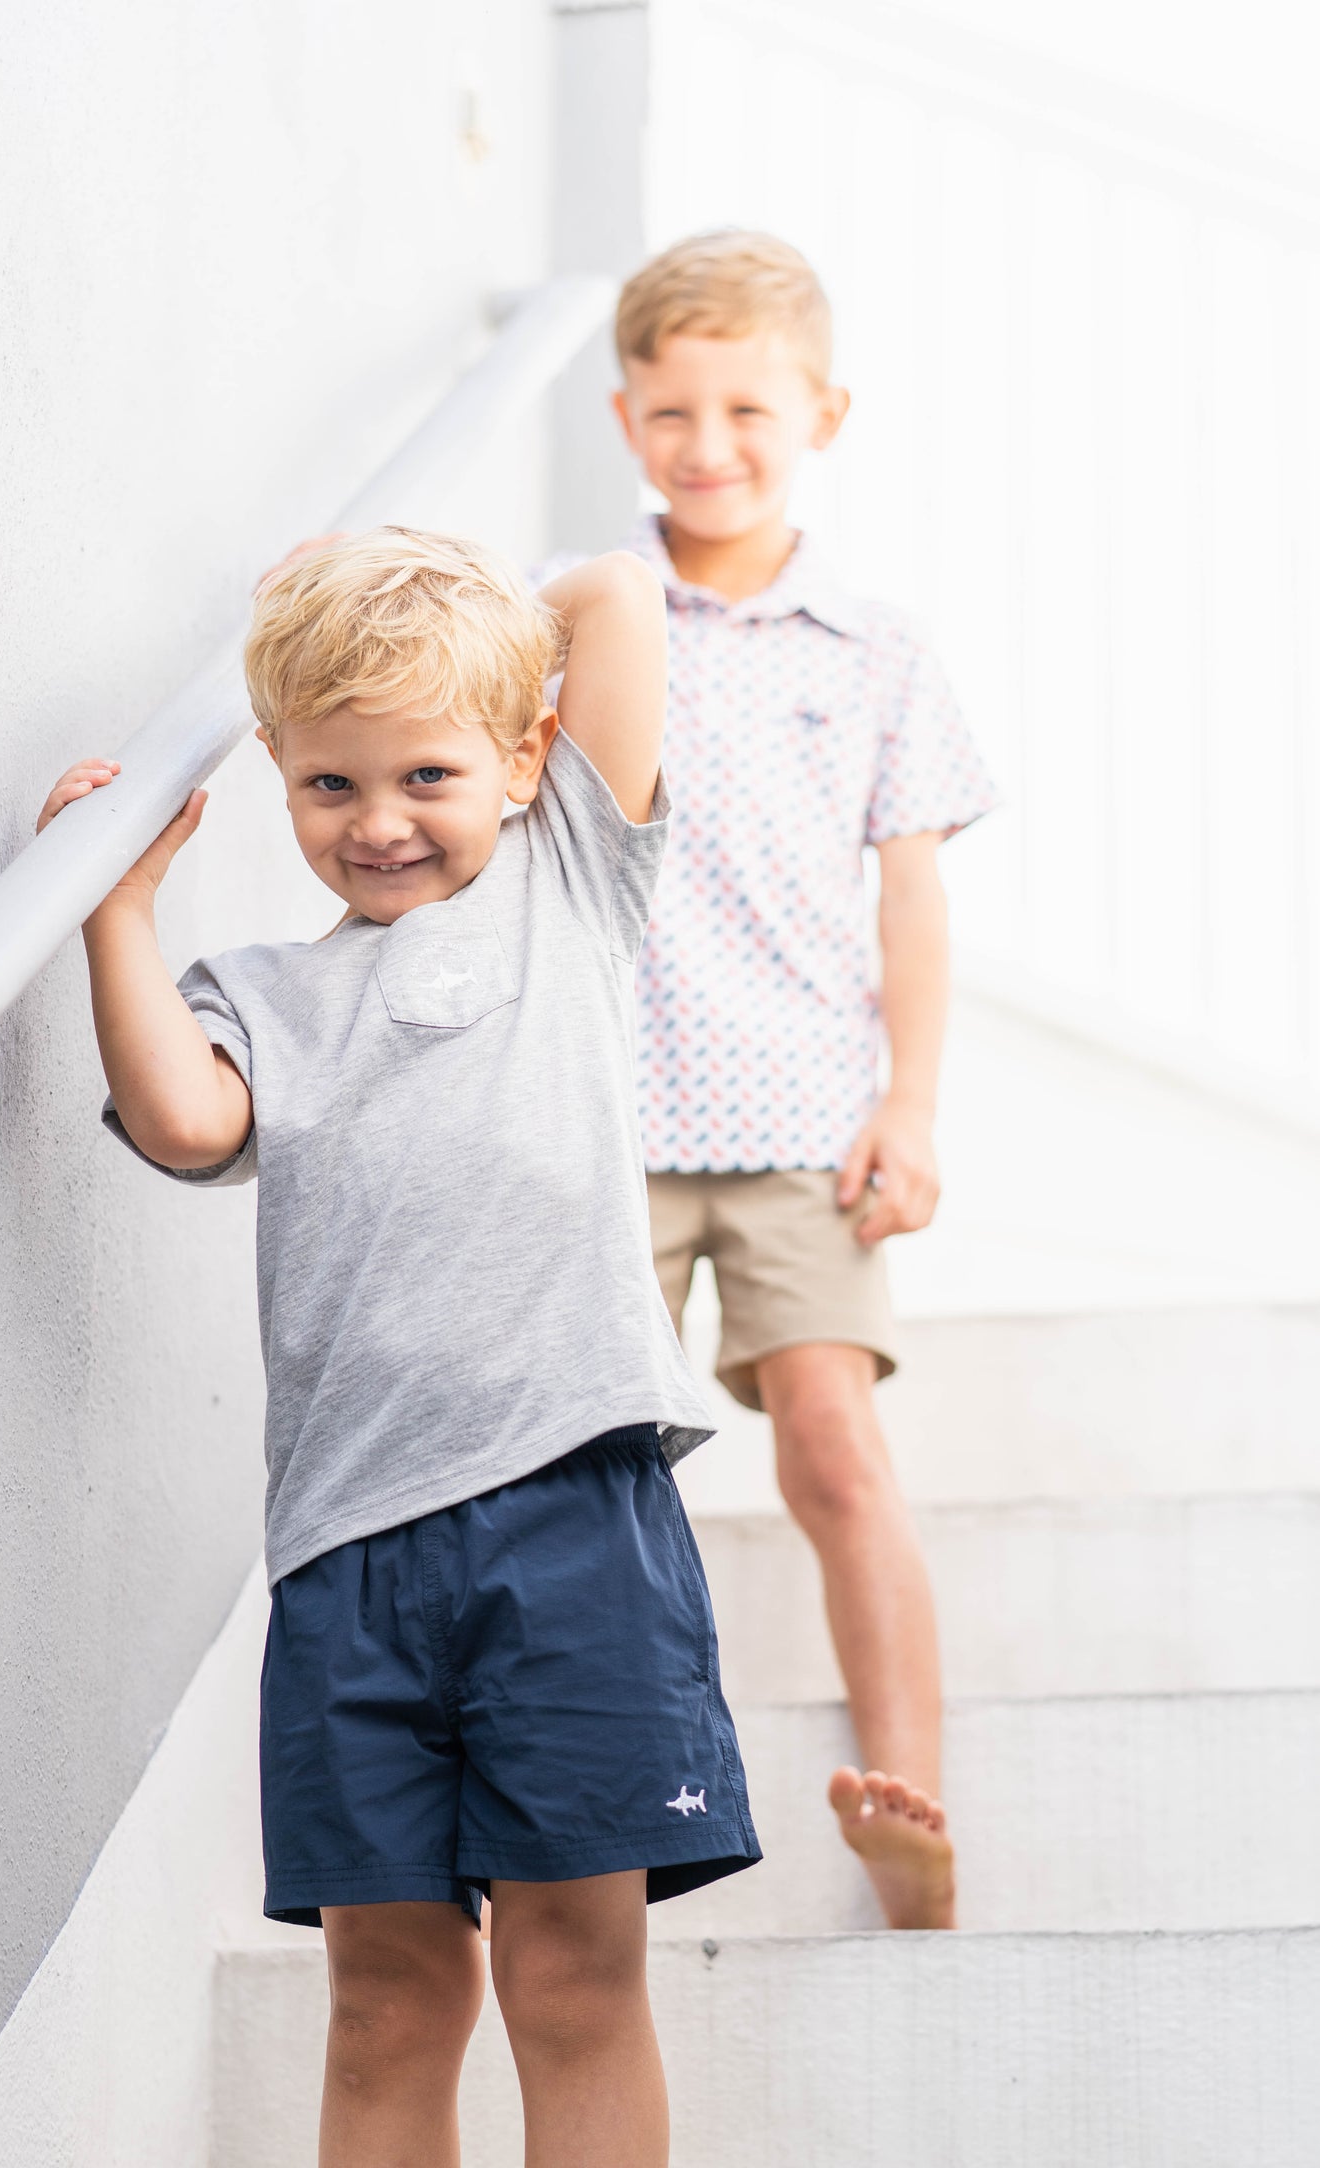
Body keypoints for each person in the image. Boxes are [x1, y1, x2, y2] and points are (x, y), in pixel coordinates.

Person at [38, 528, 758, 2168]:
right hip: (348, 1559)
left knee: (573, 1978)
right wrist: (116, 909)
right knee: (383, 1997)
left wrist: (406, 582)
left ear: (522, 759)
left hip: (568, 1520)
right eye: (327, 787)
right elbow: (182, 1118)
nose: (375, 824)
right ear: (282, 783)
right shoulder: (263, 994)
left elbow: (614, 598)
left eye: (425, 771)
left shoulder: (572, 883)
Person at [610, 231, 999, 1931]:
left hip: (795, 1128)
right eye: (671, 410)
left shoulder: (872, 645)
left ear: (821, 411)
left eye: (746, 408)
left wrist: (906, 1109)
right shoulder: (588, 613)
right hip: (602, 1129)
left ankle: (906, 1799)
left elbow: (910, 896)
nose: (708, 444)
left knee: (834, 1451)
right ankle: (596, 1786)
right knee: (585, 1471)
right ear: (623, 414)